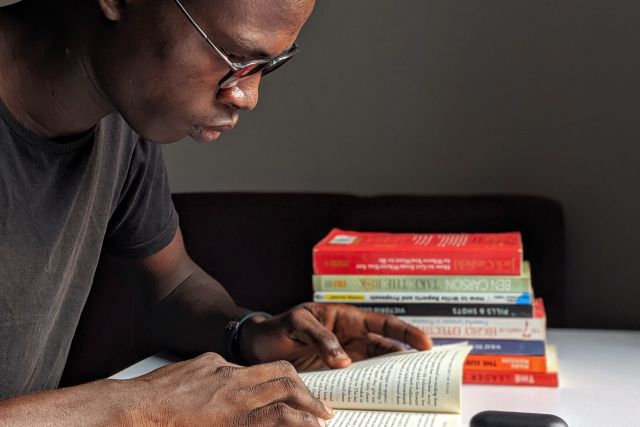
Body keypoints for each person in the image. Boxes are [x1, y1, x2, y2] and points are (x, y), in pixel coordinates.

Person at [0, 0, 432, 425]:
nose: (247, 97)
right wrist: (137, 406)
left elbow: (172, 286)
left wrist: (249, 333)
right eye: (236, 57)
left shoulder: (121, 120)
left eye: (266, 66)